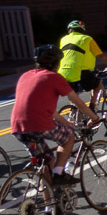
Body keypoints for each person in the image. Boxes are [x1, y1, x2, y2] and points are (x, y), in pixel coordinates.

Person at [12, 45, 99, 186]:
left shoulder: (25, 76)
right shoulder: (54, 77)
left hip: (17, 127)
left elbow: (44, 108)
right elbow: (78, 103)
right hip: (39, 124)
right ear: (56, 64)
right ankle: (59, 174)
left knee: (46, 165)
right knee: (69, 136)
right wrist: (94, 118)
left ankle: (51, 207)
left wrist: (66, 122)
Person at [58, 20, 107, 110]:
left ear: (70, 30)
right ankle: (92, 109)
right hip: (81, 71)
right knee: (97, 85)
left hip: (63, 73)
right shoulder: (87, 39)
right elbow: (101, 56)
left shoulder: (63, 39)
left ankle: (76, 121)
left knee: (74, 99)